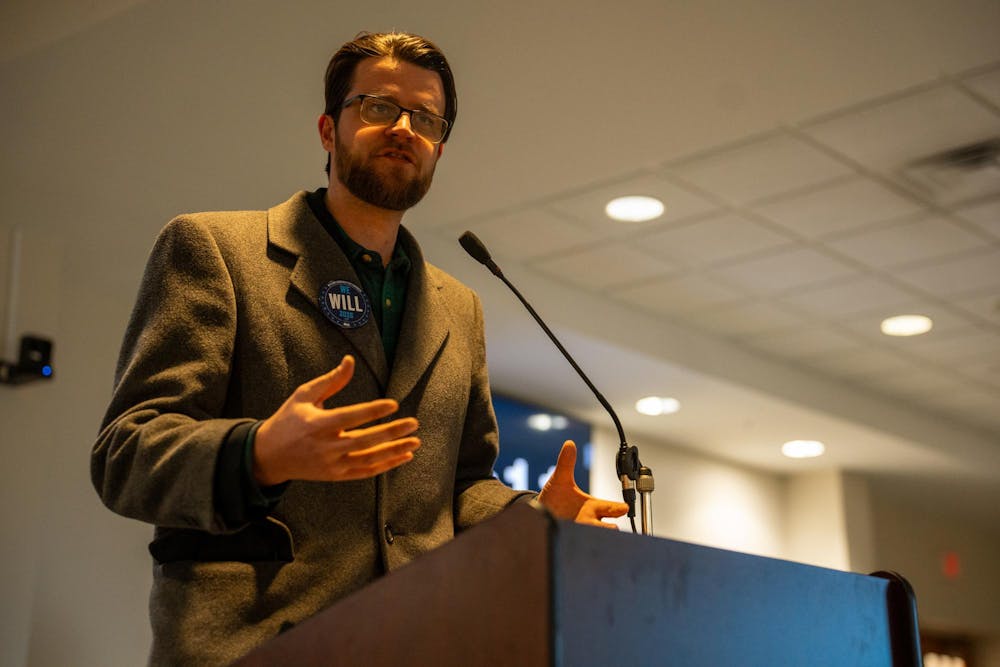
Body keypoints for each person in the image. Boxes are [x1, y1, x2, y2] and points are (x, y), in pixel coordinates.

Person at [92, 31, 628, 665]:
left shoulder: (460, 307)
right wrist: (258, 452)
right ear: (328, 129)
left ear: (439, 147)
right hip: (256, 643)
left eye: (426, 118)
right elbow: (125, 454)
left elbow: (458, 489)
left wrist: (534, 517)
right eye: (378, 106)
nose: (403, 127)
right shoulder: (215, 251)